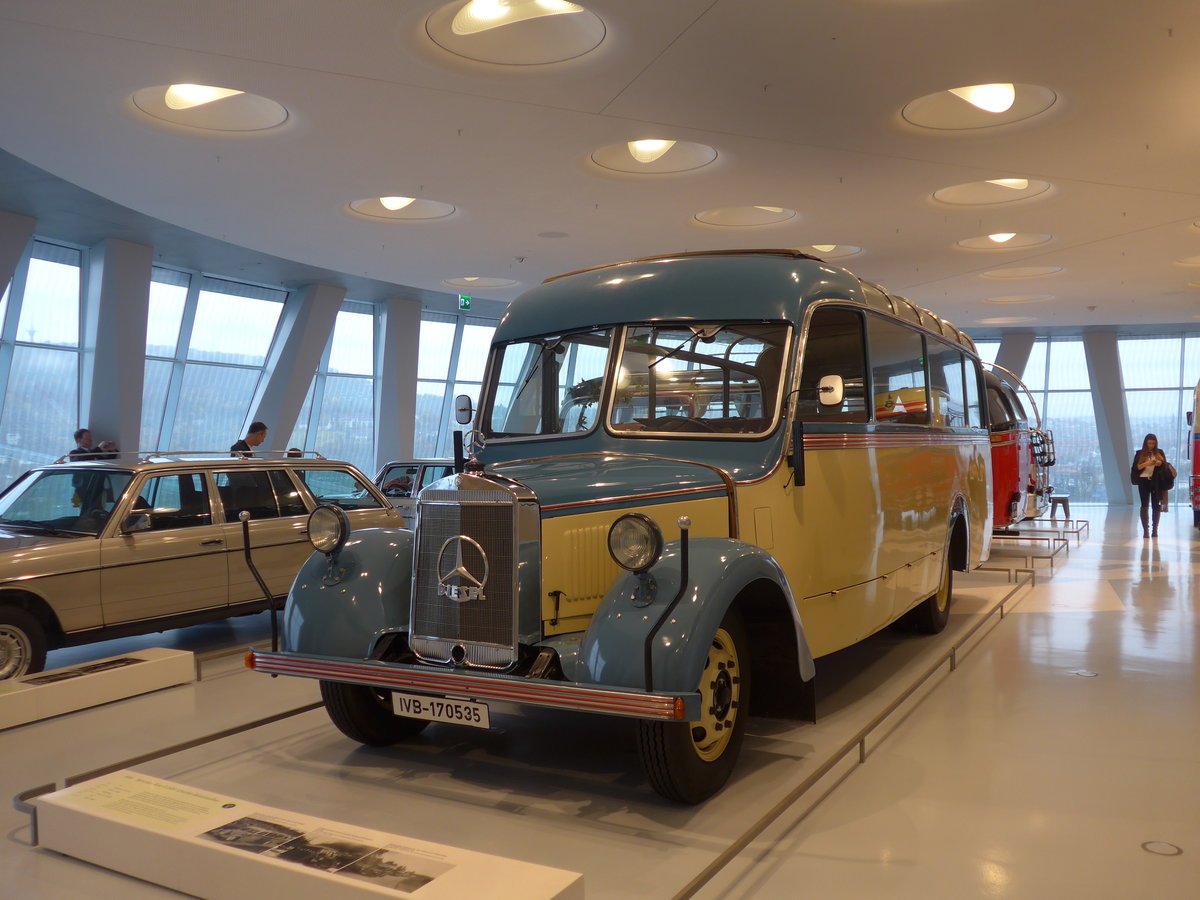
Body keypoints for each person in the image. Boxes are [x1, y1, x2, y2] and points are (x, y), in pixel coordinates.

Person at [1130, 433, 1174, 538]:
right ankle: (1146, 531)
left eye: (1153, 443)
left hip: (1156, 482)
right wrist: (1147, 463)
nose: (1151, 445)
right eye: (1149, 443)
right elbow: (1136, 468)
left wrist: (1159, 463)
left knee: (1156, 505)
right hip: (1143, 482)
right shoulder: (1140, 453)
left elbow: (1165, 467)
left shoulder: (1160, 452)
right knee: (1144, 505)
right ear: (1145, 443)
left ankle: (1155, 530)